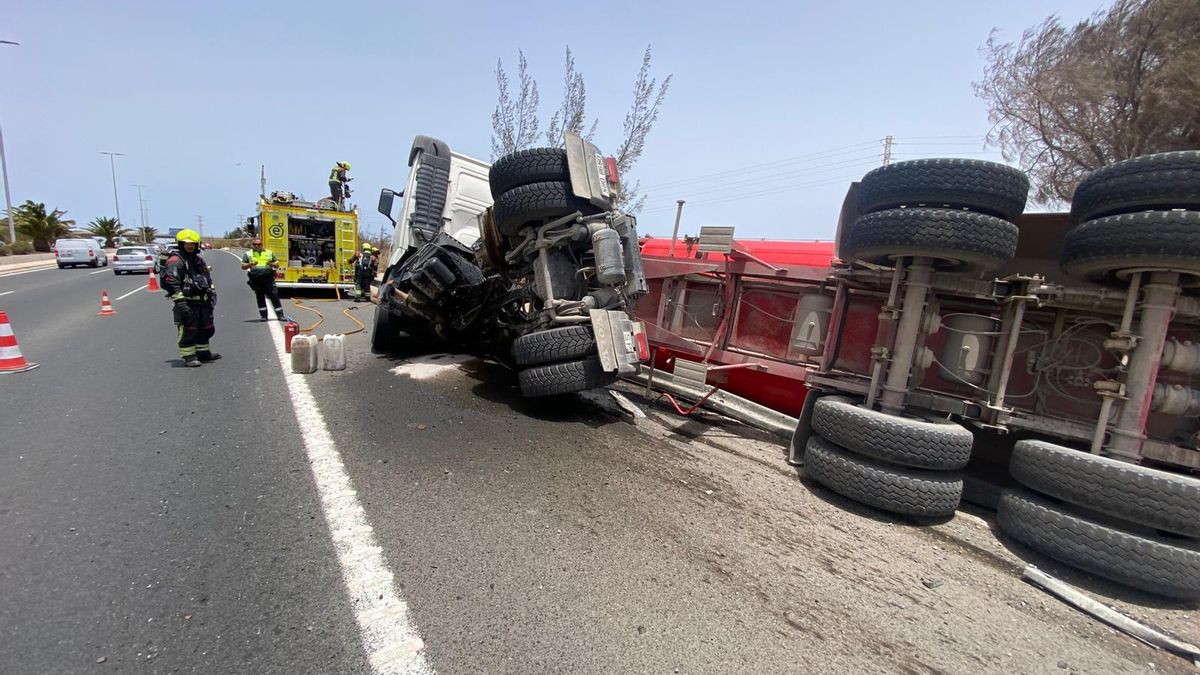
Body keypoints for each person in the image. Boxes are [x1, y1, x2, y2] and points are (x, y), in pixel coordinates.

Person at [161, 229, 220, 367]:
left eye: (192, 244)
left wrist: (211, 293)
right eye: (186, 244)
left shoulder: (198, 260)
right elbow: (172, 283)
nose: (190, 246)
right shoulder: (175, 261)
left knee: (205, 328)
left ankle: (203, 353)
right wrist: (180, 302)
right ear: (180, 244)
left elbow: (206, 277)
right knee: (189, 329)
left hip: (202, 301)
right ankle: (188, 356)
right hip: (187, 302)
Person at [241, 238, 286, 321]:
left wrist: (271, 263)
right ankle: (264, 316)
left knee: (274, 296)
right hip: (256, 279)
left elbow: (277, 264)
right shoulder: (248, 254)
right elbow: (243, 266)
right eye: (255, 244)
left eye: (259, 244)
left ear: (262, 244)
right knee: (260, 297)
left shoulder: (269, 253)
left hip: (268, 278)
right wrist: (251, 264)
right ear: (252, 245)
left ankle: (280, 315)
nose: (257, 246)